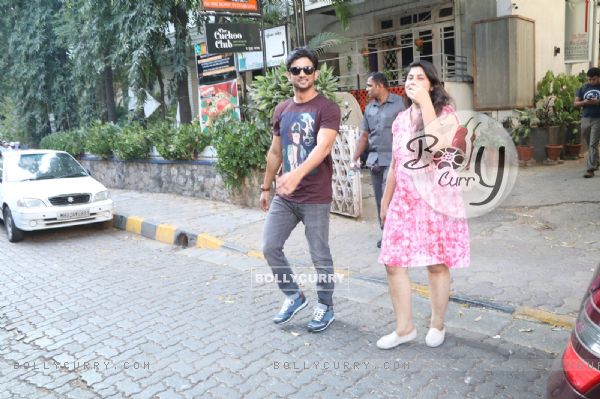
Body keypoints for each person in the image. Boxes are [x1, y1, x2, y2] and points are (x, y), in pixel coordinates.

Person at [376, 60, 470, 350]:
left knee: (436, 265)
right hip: (403, 201)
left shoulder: (447, 114)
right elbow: (395, 162)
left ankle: (437, 323)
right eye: (409, 77)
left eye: (420, 77)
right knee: (393, 262)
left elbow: (437, 146)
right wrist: (385, 199)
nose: (413, 80)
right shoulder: (400, 119)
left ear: (431, 84)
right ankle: (404, 328)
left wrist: (426, 104)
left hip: (436, 201)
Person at [260, 47, 341, 333]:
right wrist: (266, 186)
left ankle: (326, 305)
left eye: (308, 69)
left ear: (315, 73)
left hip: (315, 195)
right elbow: (274, 152)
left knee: (319, 254)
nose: (303, 74)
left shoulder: (327, 109)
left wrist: (296, 175)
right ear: (289, 75)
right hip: (286, 196)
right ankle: (293, 296)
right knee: (269, 246)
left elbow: (323, 147)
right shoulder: (282, 109)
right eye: (297, 70)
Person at [351, 72, 406, 248]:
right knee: (380, 199)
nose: (366, 89)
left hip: (395, 161)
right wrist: (354, 158)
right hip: (375, 162)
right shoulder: (369, 109)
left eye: (369, 85)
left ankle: (398, 235)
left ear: (379, 85)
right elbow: (364, 137)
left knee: (392, 200)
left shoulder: (400, 104)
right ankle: (387, 235)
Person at [574, 67, 600, 178]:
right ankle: (596, 161)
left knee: (593, 144)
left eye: (593, 79)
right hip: (585, 118)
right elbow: (575, 103)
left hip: (598, 119)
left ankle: (590, 169)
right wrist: (584, 102)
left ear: (599, 77)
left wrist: (598, 102)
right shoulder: (584, 87)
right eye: (589, 79)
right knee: (590, 143)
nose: (591, 81)